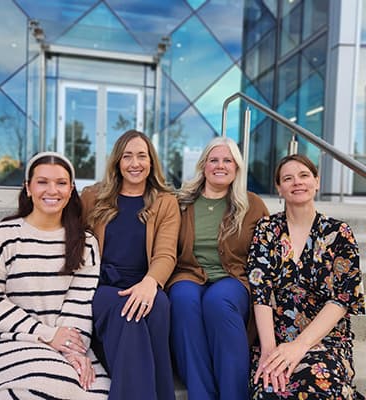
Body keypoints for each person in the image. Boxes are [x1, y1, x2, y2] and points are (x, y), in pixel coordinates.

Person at [0, 152, 110, 399]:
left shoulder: (85, 244)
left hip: (64, 344)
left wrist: (72, 351)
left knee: (98, 391)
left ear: (71, 189)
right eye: (42, 182)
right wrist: (47, 335)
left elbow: (79, 304)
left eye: (61, 183)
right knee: (57, 384)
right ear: (28, 188)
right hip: (0, 341)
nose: (52, 190)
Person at [247, 154, 365, 399]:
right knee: (269, 389)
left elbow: (343, 298)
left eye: (304, 175)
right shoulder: (267, 230)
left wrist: (300, 346)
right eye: (288, 178)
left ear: (317, 181)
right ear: (279, 188)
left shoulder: (339, 232)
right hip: (276, 338)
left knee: (319, 383)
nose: (297, 182)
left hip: (325, 339)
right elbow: (261, 293)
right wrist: (269, 351)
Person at [81, 129, 180, 400]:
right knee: (130, 313)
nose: (135, 163)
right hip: (103, 285)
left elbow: (166, 253)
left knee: (158, 305)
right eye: (127, 156)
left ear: (151, 162)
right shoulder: (93, 197)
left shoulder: (165, 202)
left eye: (141, 156)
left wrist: (150, 283)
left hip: (144, 280)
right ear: (117, 162)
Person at [166, 136, 269, 400]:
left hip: (233, 278)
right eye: (214, 160)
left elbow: (268, 251)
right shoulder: (181, 202)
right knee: (182, 299)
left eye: (227, 160)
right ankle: (202, 394)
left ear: (237, 167)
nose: (220, 165)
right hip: (188, 273)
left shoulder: (252, 204)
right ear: (203, 165)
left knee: (218, 301)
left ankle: (233, 394)